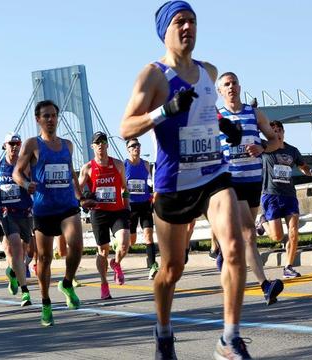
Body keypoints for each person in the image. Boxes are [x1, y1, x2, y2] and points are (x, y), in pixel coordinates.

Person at [119, 2, 251, 358]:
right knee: (172, 268)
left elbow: (207, 114)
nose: (187, 27)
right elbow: (125, 127)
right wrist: (165, 110)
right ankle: (163, 332)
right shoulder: (153, 75)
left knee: (234, 247)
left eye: (192, 21)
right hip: (174, 182)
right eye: (179, 21)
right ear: (165, 30)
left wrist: (225, 126)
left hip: (213, 173)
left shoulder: (210, 70)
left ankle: (229, 337)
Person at [13, 100, 94, 326]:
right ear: (38, 120)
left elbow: (70, 174)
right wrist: (26, 183)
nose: (50, 119)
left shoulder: (68, 145)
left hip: (67, 205)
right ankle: (46, 302)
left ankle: (67, 283)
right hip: (44, 209)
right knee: (45, 259)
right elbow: (16, 173)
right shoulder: (32, 144)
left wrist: (81, 198)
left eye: (54, 115)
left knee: (76, 246)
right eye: (46, 116)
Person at [216, 71, 284, 304]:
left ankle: (223, 255)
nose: (231, 87)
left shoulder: (254, 114)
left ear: (240, 86)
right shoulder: (216, 118)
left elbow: (276, 142)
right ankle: (265, 285)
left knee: (247, 237)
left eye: (234, 83)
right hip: (229, 182)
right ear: (220, 91)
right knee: (248, 233)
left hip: (253, 180)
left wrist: (262, 147)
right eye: (226, 84)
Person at [259, 120, 312, 279]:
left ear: (283, 132)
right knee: (277, 237)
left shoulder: (293, 150)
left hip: (289, 195)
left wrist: (310, 171)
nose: (277, 133)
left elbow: (303, 167)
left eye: (279, 130)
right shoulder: (265, 148)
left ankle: (288, 267)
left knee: (293, 232)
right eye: (273, 130)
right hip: (271, 195)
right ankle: (262, 221)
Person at [0, 132, 34, 306]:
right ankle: (25, 292)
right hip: (7, 213)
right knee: (16, 249)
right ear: (5, 146)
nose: (14, 147)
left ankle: (12, 272)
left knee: (27, 250)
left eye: (17, 144)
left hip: (25, 212)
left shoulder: (25, 163)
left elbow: (36, 180)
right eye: (11, 144)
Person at [78, 131, 130, 299]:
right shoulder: (87, 168)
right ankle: (104, 283)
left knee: (124, 243)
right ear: (92, 146)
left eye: (103, 142)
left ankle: (116, 263)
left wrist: (127, 206)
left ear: (107, 144)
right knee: (103, 250)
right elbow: (77, 190)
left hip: (117, 211)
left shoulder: (118, 165)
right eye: (97, 142)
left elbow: (125, 189)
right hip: (99, 212)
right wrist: (83, 200)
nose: (100, 145)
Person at [124, 137, 159, 280]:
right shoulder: (124, 165)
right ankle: (118, 242)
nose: (136, 148)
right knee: (131, 241)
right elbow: (121, 185)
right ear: (128, 150)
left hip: (145, 204)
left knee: (148, 235)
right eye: (133, 146)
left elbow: (152, 183)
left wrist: (154, 196)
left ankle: (152, 266)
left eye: (137, 145)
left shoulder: (146, 164)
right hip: (131, 206)